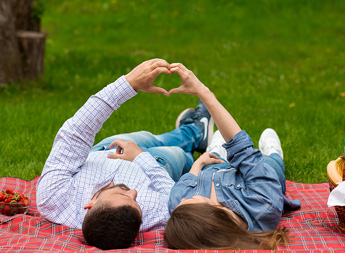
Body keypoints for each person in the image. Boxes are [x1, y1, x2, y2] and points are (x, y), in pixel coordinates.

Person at [36, 59, 215, 250]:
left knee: (150, 137)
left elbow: (75, 133)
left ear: (90, 204)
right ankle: (196, 133)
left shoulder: (53, 199)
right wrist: (140, 157)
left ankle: (193, 131)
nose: (133, 192)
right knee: (178, 153)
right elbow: (173, 195)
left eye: (123, 194)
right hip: (156, 165)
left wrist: (129, 83)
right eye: (135, 200)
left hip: (106, 150)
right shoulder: (149, 216)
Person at [164, 63, 301, 250]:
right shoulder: (263, 205)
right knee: (270, 163)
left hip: (213, 168)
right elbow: (241, 148)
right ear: (211, 212)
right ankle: (274, 152)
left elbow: (184, 185)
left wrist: (199, 163)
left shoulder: (179, 210)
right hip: (264, 177)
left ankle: (215, 149)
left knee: (213, 158)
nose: (181, 200)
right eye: (190, 200)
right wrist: (203, 92)